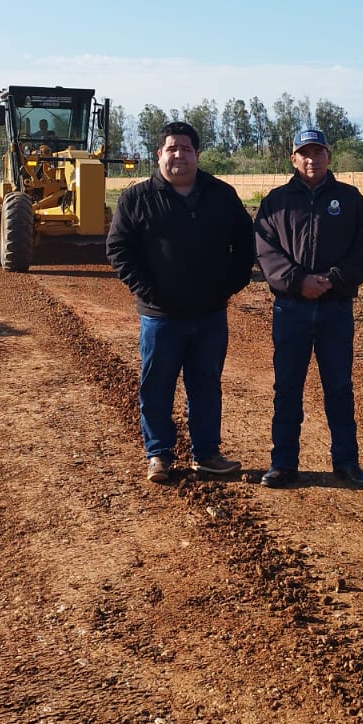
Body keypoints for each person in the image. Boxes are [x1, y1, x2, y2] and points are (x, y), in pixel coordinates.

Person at [106, 120, 255, 483]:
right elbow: (118, 249)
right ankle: (158, 455)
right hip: (161, 317)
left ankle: (207, 454)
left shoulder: (221, 195)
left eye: (185, 149)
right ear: (159, 155)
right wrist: (150, 292)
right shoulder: (136, 198)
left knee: (206, 385)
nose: (178, 155)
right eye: (171, 149)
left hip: (209, 315)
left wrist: (226, 289)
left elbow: (245, 246)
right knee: (157, 386)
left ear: (196, 154)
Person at [254, 128, 363, 488]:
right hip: (291, 309)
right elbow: (264, 250)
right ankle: (283, 463)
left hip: (335, 308)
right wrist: (297, 281)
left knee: (338, 386)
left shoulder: (351, 200)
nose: (312, 159)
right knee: (287, 387)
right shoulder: (276, 202)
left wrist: (333, 279)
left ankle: (347, 462)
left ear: (329, 156)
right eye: (304, 153)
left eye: (318, 152)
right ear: (292, 159)